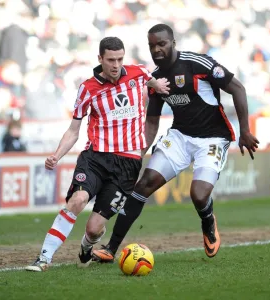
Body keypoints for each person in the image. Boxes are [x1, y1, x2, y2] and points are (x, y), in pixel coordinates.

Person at [92, 24, 260, 262]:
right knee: (143, 185)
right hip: (180, 137)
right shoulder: (156, 79)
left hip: (212, 137)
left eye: (162, 44)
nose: (157, 49)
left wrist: (245, 130)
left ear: (173, 42)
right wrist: (139, 153)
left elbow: (237, 88)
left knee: (199, 195)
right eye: (152, 45)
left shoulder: (197, 63)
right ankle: (110, 247)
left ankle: (208, 220)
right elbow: (152, 121)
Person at [25, 36, 170, 271]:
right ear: (100, 59)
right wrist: (57, 155)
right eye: (111, 60)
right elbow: (74, 131)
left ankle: (86, 245)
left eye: (120, 59)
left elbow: (151, 81)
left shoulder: (139, 73)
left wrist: (159, 86)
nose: (116, 65)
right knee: (78, 200)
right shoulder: (88, 89)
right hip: (95, 158)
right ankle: (43, 258)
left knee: (94, 228)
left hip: (128, 164)